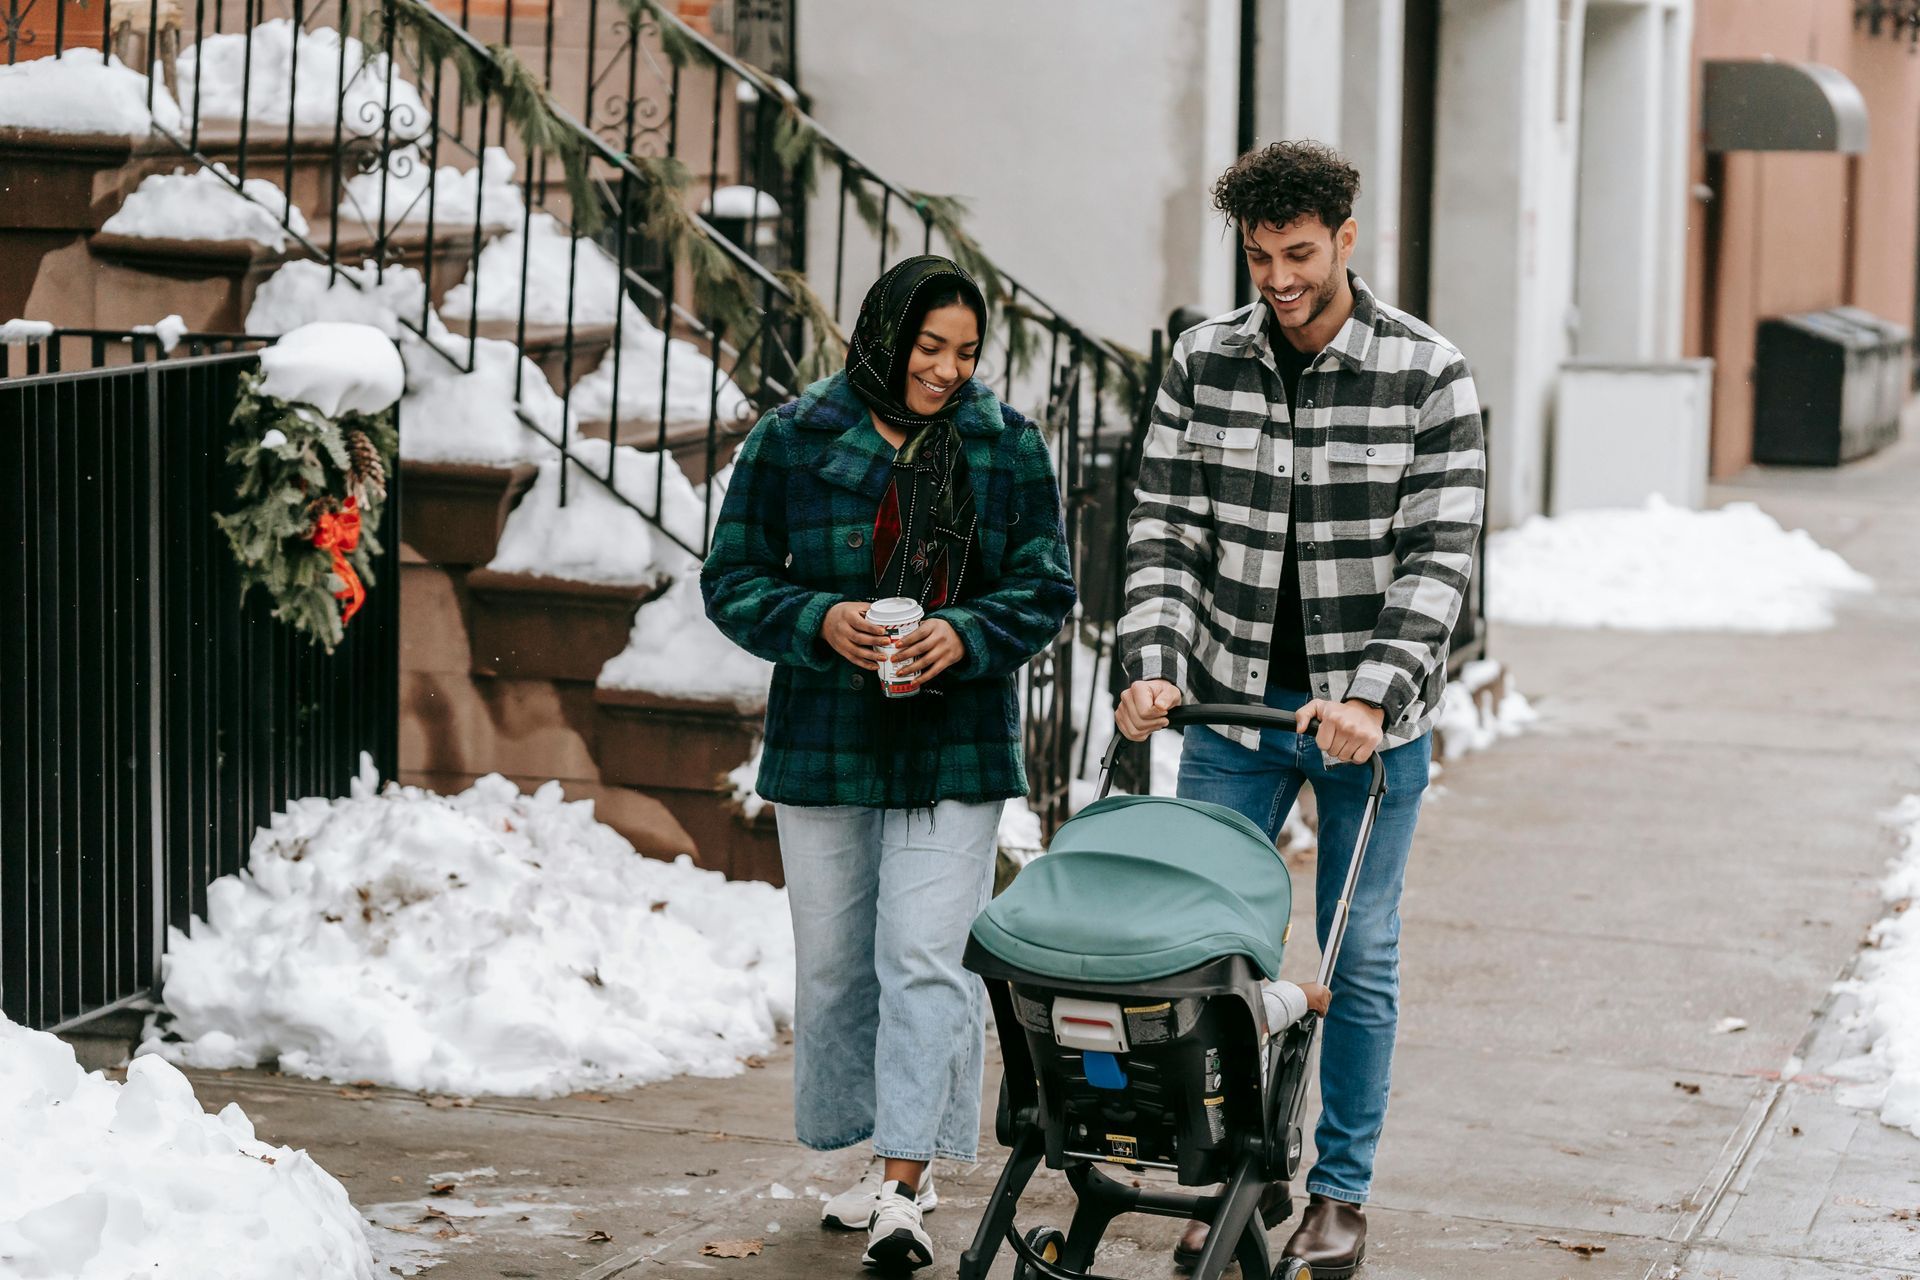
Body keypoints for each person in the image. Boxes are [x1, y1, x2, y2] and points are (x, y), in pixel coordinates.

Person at [1115, 140, 1485, 1278]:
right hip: (1229, 708)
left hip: (1364, 721)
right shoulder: (1202, 361)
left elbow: (1439, 556)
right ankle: (1229, 1174)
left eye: (1300, 253)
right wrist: (1154, 660)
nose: (1278, 276)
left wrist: (1373, 695)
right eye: (1260, 253)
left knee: (1355, 952)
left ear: (1347, 241)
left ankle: (1339, 1190)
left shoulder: (1428, 371)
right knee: (1213, 953)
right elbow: (1165, 524)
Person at [702, 255, 1075, 1274]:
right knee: (834, 964)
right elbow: (729, 580)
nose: (946, 372)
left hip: (954, 739)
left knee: (925, 954)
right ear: (883, 336)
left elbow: (1046, 586)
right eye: (928, 348)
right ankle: (877, 1146)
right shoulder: (793, 441)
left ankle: (906, 1181)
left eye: (964, 352)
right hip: (826, 731)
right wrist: (820, 616)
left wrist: (966, 632)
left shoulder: (1002, 448)